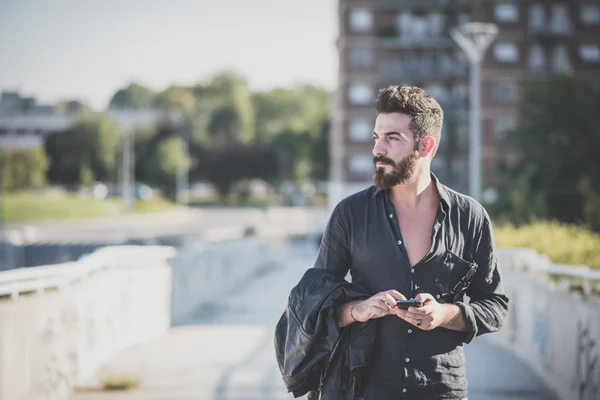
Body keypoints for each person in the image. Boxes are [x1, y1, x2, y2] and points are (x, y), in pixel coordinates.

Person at [312, 85, 509, 399]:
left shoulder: (470, 217)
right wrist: (359, 309)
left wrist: (444, 314)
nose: (379, 149)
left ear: (426, 145)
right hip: (364, 388)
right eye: (376, 137)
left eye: (392, 138)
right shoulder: (350, 213)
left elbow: (495, 307)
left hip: (441, 389)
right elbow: (315, 304)